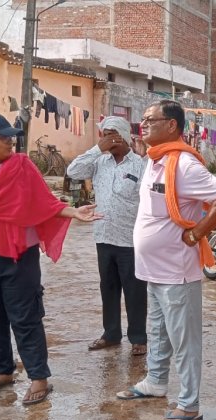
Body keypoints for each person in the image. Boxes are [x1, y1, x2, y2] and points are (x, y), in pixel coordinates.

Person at [0, 113, 102, 405]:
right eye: (4, 137)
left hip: (18, 255)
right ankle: (2, 371)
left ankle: (39, 377)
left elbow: (44, 202)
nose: (12, 141)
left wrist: (73, 211)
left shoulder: (23, 167)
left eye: (13, 136)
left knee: (26, 316)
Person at [117, 100, 216, 420]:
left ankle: (188, 403)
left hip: (176, 270)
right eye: (142, 119)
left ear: (171, 125)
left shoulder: (183, 164)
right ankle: (155, 381)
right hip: (153, 268)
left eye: (151, 120)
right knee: (157, 330)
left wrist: (197, 232)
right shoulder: (154, 161)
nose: (143, 124)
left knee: (184, 340)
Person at [67, 117, 148, 356]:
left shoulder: (140, 164)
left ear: (123, 136)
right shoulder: (99, 161)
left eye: (111, 134)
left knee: (134, 291)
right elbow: (73, 172)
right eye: (104, 134)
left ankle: (138, 337)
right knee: (108, 288)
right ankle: (111, 334)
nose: (106, 138)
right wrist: (96, 149)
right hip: (103, 237)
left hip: (130, 240)